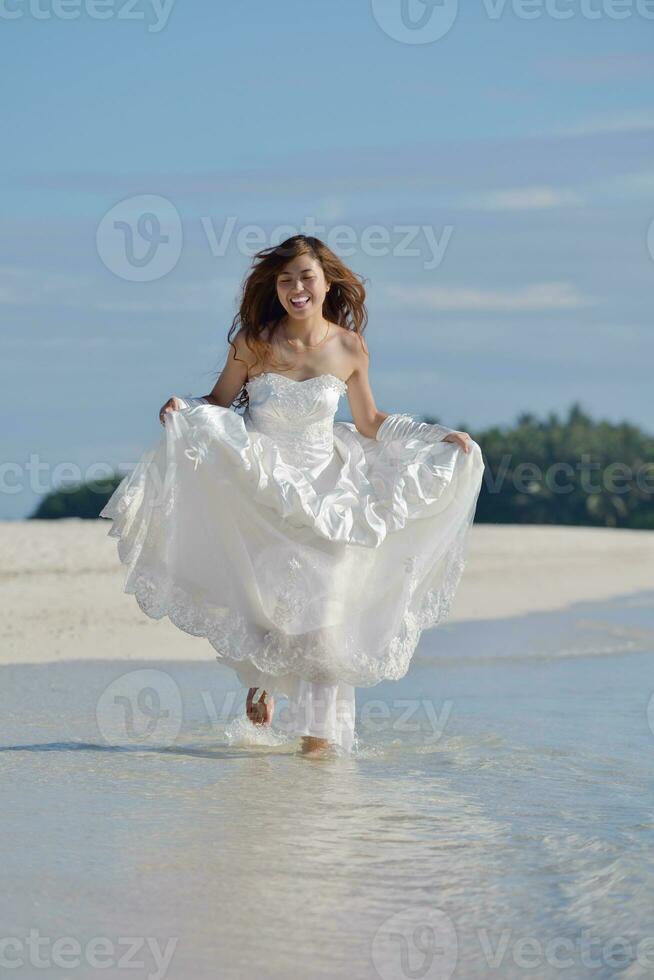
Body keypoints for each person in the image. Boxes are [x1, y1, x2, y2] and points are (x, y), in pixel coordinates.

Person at [100, 235, 485, 758]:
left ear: (326, 282)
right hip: (261, 484)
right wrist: (183, 408)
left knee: (327, 617)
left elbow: (369, 423)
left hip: (330, 492)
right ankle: (261, 680)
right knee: (269, 605)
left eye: (306, 277)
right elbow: (216, 402)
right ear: (275, 288)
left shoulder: (349, 347)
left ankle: (317, 752)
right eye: (285, 280)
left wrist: (433, 436)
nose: (296, 288)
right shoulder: (254, 342)